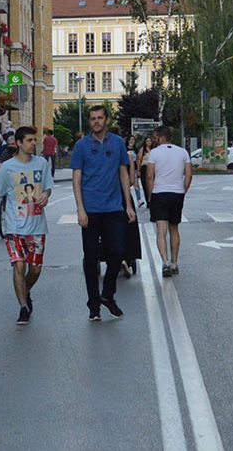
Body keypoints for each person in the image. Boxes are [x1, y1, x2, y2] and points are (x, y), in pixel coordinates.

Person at [70, 106, 134, 321]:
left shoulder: (117, 143)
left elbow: (123, 174)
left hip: (113, 207)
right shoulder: (81, 146)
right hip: (90, 209)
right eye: (92, 119)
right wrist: (80, 209)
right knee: (90, 259)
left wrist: (128, 205)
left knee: (118, 251)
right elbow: (76, 180)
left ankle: (108, 294)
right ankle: (93, 304)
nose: (96, 122)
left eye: (99, 118)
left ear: (107, 120)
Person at [0, 126, 52, 324]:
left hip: (37, 225)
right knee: (19, 265)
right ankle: (23, 307)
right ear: (18, 143)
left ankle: (25, 290)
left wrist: (45, 195)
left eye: (35, 140)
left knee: (35, 269)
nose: (34, 143)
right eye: (30, 140)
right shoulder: (7, 167)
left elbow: (48, 188)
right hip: (14, 226)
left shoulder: (41, 164)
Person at [144, 126, 191, 277]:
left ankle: (165, 263)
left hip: (160, 193)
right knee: (174, 229)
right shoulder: (183, 152)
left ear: (161, 137)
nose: (154, 140)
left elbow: (150, 176)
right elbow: (189, 175)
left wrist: (150, 195)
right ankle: (174, 262)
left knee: (161, 231)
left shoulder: (154, 153)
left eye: (155, 137)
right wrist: (183, 190)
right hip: (177, 193)